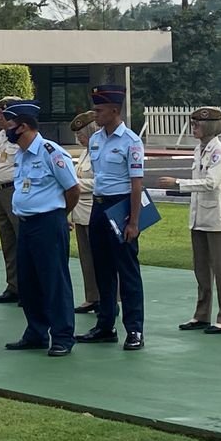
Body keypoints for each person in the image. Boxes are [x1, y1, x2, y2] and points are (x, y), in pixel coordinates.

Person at [0, 101, 83, 357]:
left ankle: (62, 336)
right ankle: (35, 332)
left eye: (10, 125)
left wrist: (60, 215)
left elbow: (73, 189)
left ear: (23, 126)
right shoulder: (22, 154)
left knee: (54, 281)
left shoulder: (51, 152)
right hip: (26, 224)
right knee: (28, 281)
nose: (6, 130)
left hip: (48, 223)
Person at [77, 85, 147, 350]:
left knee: (127, 271)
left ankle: (135, 329)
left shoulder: (131, 141)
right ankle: (105, 325)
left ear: (115, 111)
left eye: (99, 110)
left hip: (121, 205)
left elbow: (136, 184)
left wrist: (133, 221)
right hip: (99, 206)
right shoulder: (96, 140)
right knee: (102, 269)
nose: (95, 114)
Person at [162, 106, 221, 334]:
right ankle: (202, 314)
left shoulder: (219, 152)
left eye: (197, 124)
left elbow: (210, 183)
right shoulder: (199, 149)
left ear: (210, 127)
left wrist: (178, 183)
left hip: (218, 220)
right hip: (199, 217)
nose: (193, 128)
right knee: (202, 271)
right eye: (193, 124)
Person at [0, 95, 24, 305]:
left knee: (22, 239)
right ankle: (14, 286)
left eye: (3, 113)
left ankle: (27, 288)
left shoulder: (20, 135)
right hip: (0, 190)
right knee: (8, 241)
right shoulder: (2, 135)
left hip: (14, 189)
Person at [68, 111, 101, 314]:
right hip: (80, 212)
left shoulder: (99, 152)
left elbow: (101, 182)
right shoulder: (85, 153)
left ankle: (107, 298)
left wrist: (76, 184)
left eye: (81, 134)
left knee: (100, 258)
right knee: (86, 259)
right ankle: (92, 297)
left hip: (94, 210)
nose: (78, 138)